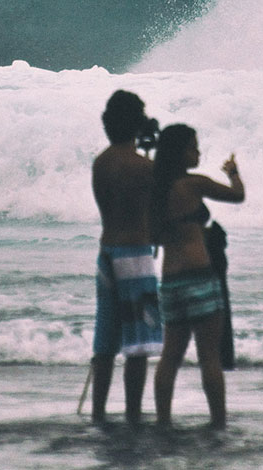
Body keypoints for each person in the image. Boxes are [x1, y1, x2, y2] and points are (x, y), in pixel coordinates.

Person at [151, 124, 244, 428]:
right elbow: (237, 195)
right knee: (209, 357)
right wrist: (233, 171)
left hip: (170, 281)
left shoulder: (155, 189)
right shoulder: (193, 185)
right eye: (193, 146)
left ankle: (163, 420)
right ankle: (218, 421)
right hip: (200, 276)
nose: (198, 151)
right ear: (180, 153)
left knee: (170, 356)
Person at [90, 90, 163, 424]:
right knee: (138, 344)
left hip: (107, 251)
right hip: (135, 256)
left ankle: (99, 410)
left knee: (105, 340)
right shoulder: (143, 167)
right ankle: (133, 412)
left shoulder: (101, 163)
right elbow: (155, 208)